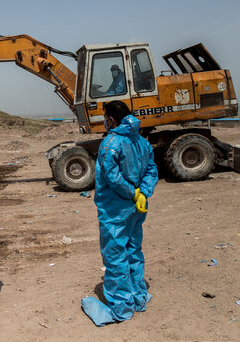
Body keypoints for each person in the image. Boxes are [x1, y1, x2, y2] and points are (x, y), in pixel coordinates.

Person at [81, 100, 158, 326]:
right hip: (135, 209)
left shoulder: (110, 144)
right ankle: (138, 297)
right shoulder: (142, 142)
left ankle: (121, 306)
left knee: (115, 255)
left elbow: (112, 178)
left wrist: (132, 193)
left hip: (115, 210)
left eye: (105, 116)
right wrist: (143, 192)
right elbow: (152, 170)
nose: (104, 121)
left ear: (112, 119)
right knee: (133, 250)